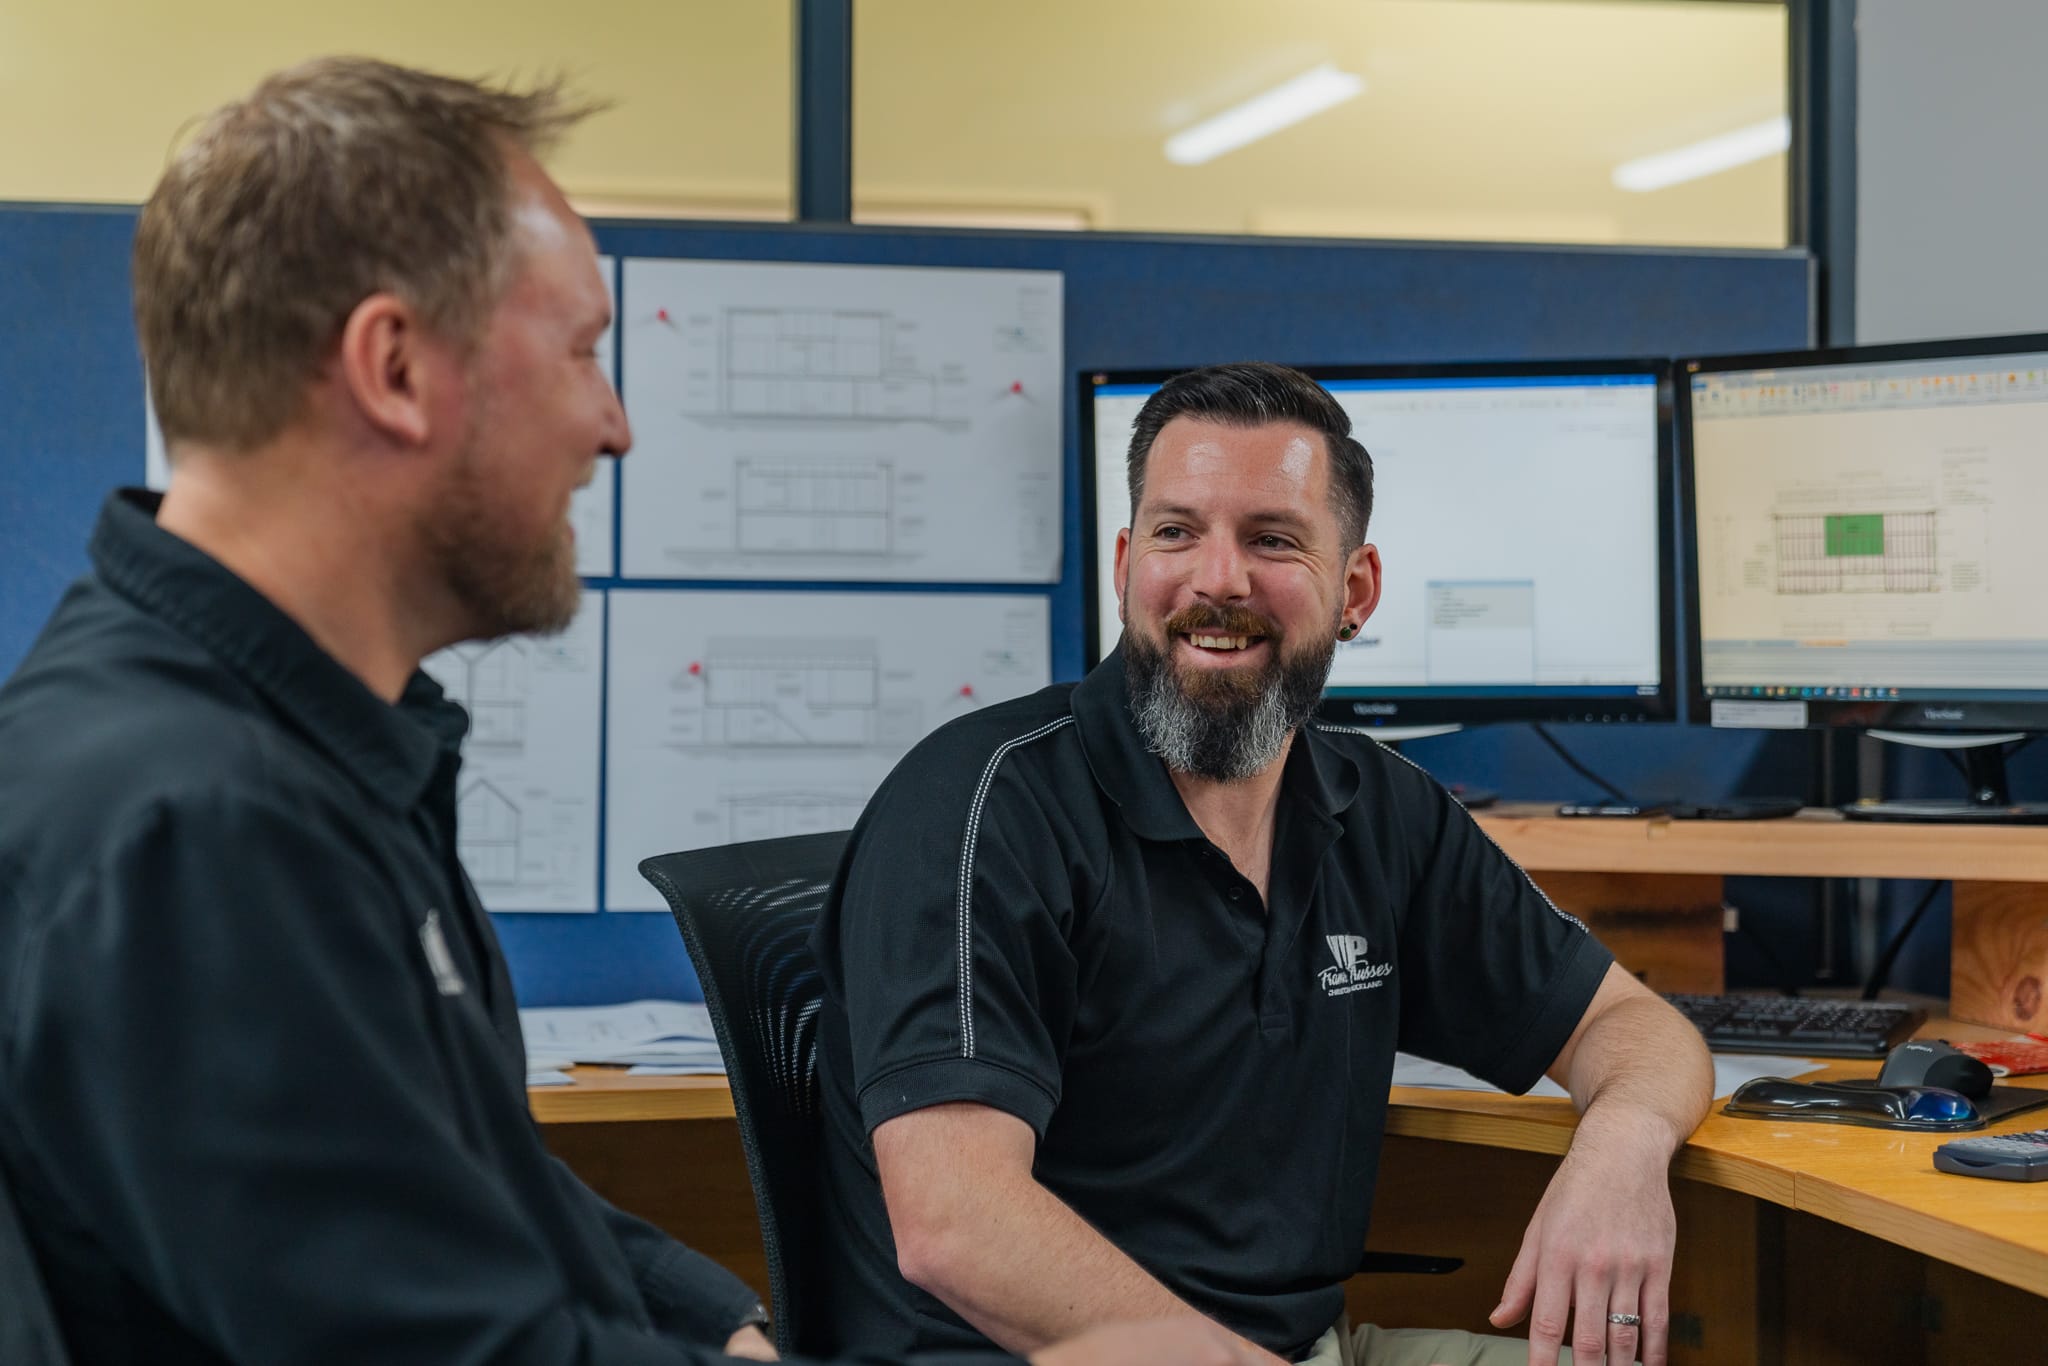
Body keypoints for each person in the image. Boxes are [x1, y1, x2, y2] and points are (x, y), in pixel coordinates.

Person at [0, 57, 1259, 1366]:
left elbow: (461, 1195)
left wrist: (714, 1322)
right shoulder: (193, 824)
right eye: (584, 353)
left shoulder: (289, 748)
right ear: (394, 367)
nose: (615, 427)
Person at [812, 362, 1715, 1366]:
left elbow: (1632, 1027)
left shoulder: (1375, 806)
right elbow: (955, 1225)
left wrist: (1619, 1147)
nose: (1217, 579)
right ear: (1124, 567)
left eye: (1271, 539)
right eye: (1174, 531)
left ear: (1355, 589)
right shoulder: (982, 807)